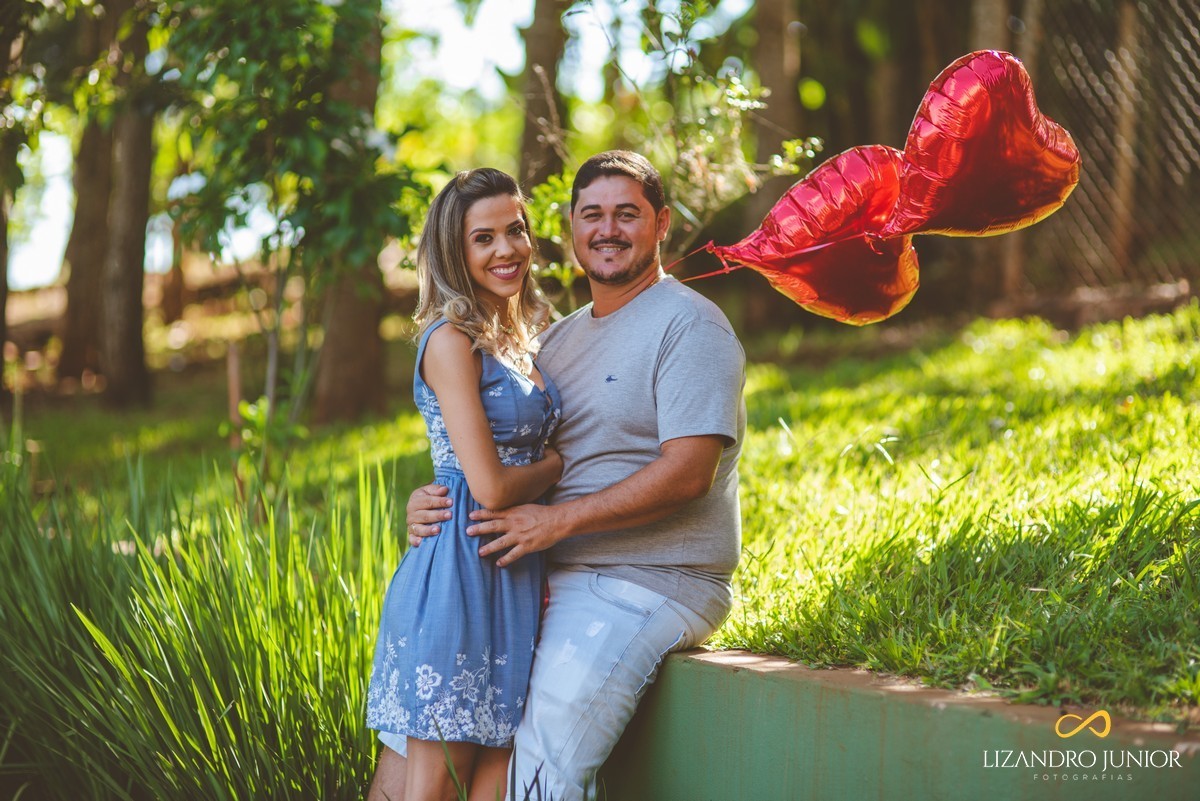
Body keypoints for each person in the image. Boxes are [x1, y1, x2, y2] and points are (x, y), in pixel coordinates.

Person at [373, 150, 746, 801]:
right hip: (525, 572)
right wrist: (431, 494)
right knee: (409, 757)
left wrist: (555, 519)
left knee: (528, 771)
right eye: (592, 215)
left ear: (661, 223)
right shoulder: (551, 342)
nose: (608, 229)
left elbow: (690, 473)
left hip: (643, 575)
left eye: (627, 214)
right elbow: (491, 446)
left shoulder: (688, 324)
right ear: (570, 227)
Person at [365, 167, 564, 801]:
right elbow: (491, 485)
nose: (506, 249)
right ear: (456, 250)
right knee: (434, 788)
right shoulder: (451, 340)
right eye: (484, 238)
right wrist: (555, 468)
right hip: (458, 566)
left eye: (516, 231)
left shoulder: (519, 335)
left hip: (512, 570)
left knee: (491, 781)